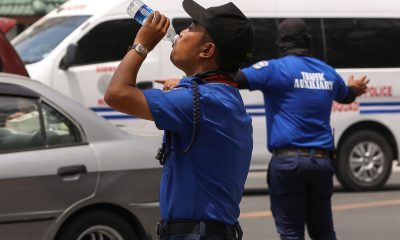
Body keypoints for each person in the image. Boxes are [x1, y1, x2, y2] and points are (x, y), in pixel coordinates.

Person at [104, 0, 254, 240]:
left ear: (206, 50)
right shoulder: (218, 97)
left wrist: (142, 45)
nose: (181, 31)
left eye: (192, 27)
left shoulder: (202, 101)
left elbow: (116, 94)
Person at [235, 19, 369, 240]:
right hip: (322, 163)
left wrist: (188, 81)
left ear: (281, 43)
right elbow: (347, 95)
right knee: (324, 231)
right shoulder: (327, 72)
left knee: (291, 234)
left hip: (288, 165)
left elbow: (234, 79)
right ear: (307, 41)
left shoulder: (276, 69)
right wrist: (356, 87)